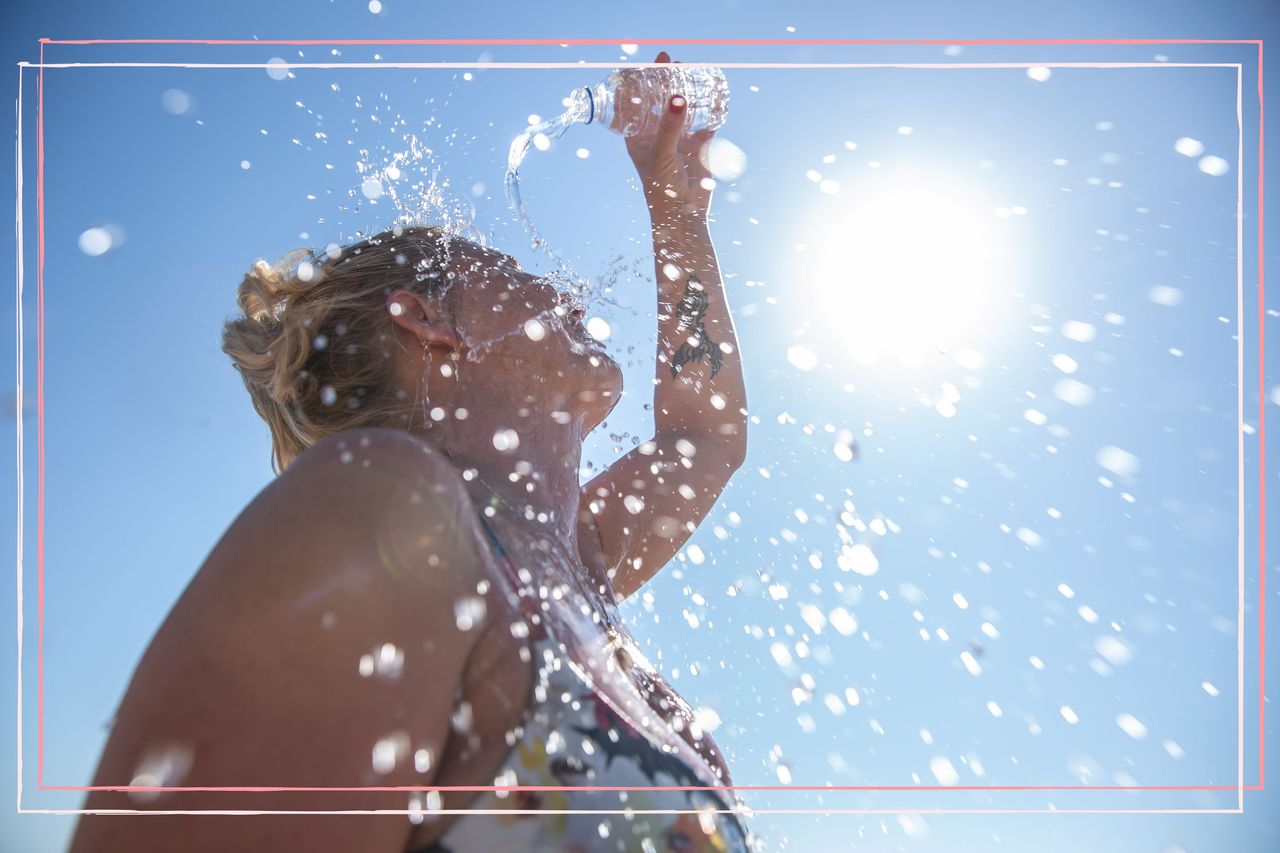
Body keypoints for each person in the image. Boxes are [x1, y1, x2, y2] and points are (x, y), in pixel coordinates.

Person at [69, 50, 752, 852]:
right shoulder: (392, 516)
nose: (566, 293)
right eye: (517, 271)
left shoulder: (573, 560)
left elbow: (703, 439)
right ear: (429, 321)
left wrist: (675, 207)